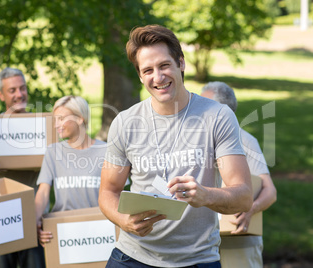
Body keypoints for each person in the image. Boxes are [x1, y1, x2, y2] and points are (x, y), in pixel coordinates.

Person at [99, 24, 253, 268]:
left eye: (164, 65)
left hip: (196, 260)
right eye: (147, 70)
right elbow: (108, 191)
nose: (158, 77)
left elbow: (244, 196)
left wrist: (205, 195)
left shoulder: (217, 116)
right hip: (133, 257)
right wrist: (123, 221)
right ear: (140, 76)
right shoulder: (125, 123)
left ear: (181, 63)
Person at [201, 81, 277, 268]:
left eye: (204, 107)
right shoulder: (195, 141)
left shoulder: (245, 141)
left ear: (222, 111)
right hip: (202, 244)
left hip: (239, 243)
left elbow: (270, 191)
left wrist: (251, 208)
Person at [34, 95, 106, 246]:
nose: (56, 125)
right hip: (62, 233)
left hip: (99, 233)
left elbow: (117, 194)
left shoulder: (106, 151)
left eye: (61, 119)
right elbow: (43, 192)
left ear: (80, 118)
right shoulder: (53, 152)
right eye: (55, 120)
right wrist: (35, 222)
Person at [0, 67, 45, 268]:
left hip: (33, 219)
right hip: (0, 220)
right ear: (1, 95)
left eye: (22, 89)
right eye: (12, 90)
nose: (19, 94)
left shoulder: (40, 128)